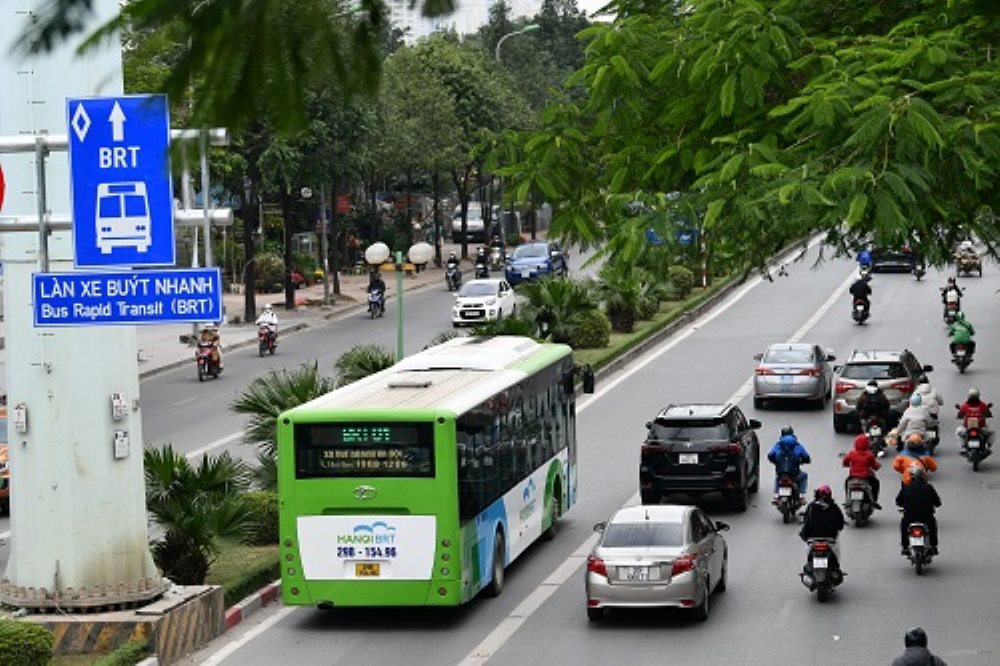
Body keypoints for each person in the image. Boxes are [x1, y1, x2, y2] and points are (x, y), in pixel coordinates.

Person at [895, 467, 941, 557]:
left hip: (909, 517)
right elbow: (938, 502)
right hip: (926, 517)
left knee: (904, 526)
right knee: (932, 526)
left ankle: (905, 546)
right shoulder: (929, 487)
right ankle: (934, 546)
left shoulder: (906, 488)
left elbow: (898, 501)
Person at [799, 484, 845, 567]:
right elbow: (840, 524)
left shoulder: (811, 507)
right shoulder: (834, 507)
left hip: (812, 540)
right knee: (836, 554)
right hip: (830, 539)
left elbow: (807, 522)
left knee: (808, 553)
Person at [767, 426, 811, 501]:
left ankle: (776, 495)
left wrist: (775, 461)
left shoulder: (779, 445)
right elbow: (805, 456)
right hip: (794, 473)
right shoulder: (796, 445)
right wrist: (804, 460)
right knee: (804, 476)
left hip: (781, 473)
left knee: (778, 478)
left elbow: (770, 455)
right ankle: (801, 495)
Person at [842, 434, 881, 508]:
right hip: (866, 477)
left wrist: (847, 465)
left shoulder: (851, 453)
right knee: (876, 483)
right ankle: (874, 501)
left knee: (846, 483)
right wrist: (878, 466)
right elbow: (874, 465)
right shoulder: (869, 455)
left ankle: (847, 500)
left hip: (853, 477)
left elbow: (845, 462)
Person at [957, 387, 993, 451]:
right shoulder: (982, 405)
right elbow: (988, 413)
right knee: (992, 432)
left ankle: (962, 445)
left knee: (958, 432)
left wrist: (959, 416)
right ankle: (989, 444)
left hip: (967, 428)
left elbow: (960, 414)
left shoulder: (965, 405)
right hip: (981, 427)